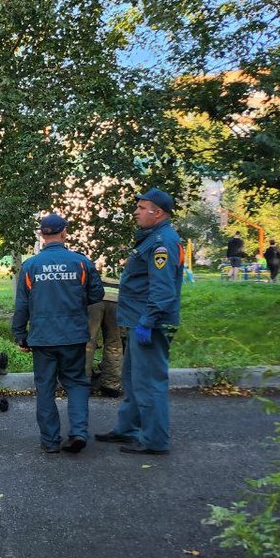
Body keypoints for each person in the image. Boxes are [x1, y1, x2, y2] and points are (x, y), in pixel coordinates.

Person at [96, 188, 183, 455]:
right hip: (138, 321)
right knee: (132, 379)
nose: (136, 211)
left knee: (149, 382)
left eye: (141, 207)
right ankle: (128, 428)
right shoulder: (152, 238)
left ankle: (154, 441)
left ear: (157, 212)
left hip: (150, 325)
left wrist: (148, 321)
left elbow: (163, 289)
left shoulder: (162, 242)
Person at [12, 214, 104, 453]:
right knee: (75, 383)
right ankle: (79, 433)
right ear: (64, 234)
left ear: (42, 235)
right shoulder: (80, 262)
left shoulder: (30, 266)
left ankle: (50, 441)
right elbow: (96, 294)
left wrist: (20, 334)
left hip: (43, 337)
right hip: (73, 336)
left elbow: (22, 305)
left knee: (45, 388)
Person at [86, 275, 122, 397]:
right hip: (117, 297)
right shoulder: (121, 257)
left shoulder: (80, 258)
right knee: (114, 343)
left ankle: (84, 383)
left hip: (94, 298)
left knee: (88, 342)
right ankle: (111, 385)